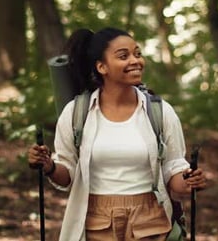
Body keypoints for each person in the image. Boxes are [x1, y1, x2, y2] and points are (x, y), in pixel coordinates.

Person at [28, 27, 207, 241]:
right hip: (95, 223)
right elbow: (68, 175)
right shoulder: (77, 113)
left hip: (151, 222)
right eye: (123, 56)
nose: (135, 61)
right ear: (101, 66)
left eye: (137, 54)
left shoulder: (159, 111)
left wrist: (188, 181)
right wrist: (48, 166)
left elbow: (172, 169)